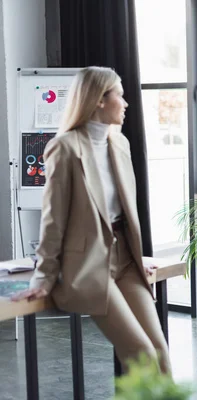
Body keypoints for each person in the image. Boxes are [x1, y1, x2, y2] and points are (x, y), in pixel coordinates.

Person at [12, 67, 171, 374]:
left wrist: (138, 257)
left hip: (124, 260)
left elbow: (123, 213)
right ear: (99, 99)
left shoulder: (119, 144)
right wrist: (44, 277)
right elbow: (53, 220)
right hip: (89, 265)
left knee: (160, 351)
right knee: (141, 355)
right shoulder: (65, 148)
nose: (125, 103)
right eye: (119, 96)